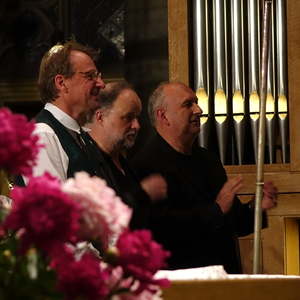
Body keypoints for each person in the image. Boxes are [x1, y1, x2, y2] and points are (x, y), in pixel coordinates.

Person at [131, 81, 278, 273]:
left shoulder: (208, 160)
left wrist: (256, 207)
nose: (199, 110)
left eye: (196, 102)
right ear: (163, 115)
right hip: (185, 282)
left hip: (224, 277)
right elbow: (163, 230)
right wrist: (216, 210)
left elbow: (234, 222)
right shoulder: (145, 165)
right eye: (188, 104)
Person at [82, 81, 167, 229]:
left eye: (137, 117)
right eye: (128, 117)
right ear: (100, 117)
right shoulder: (86, 161)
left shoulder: (125, 162)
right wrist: (142, 194)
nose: (136, 125)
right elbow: (95, 221)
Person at [29, 40, 105, 181]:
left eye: (98, 76)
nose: (101, 84)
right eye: (90, 76)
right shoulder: (42, 135)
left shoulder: (81, 134)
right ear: (61, 83)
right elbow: (49, 202)